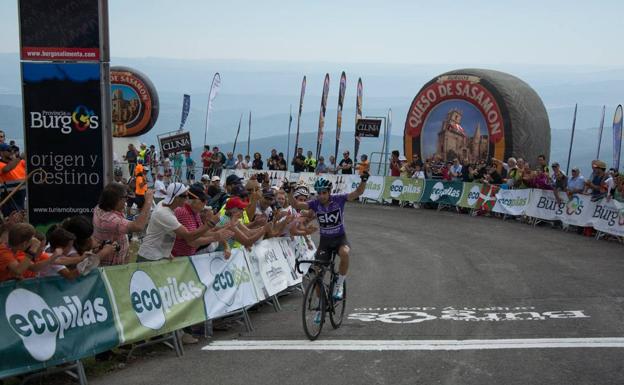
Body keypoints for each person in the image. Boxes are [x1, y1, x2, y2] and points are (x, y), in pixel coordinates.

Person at [288, 171, 369, 319]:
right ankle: (320, 306)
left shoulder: (339, 200)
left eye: (324, 192)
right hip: (325, 242)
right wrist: (289, 192)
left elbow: (358, 192)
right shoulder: (315, 203)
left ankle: (339, 284)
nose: (321, 195)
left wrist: (364, 179)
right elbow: (296, 204)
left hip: (339, 238)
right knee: (318, 275)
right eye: (319, 193)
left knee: (345, 253)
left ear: (329, 192)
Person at [137, 183, 213, 262]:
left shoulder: (166, 205)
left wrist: (167, 252)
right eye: (184, 196)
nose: (187, 198)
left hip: (157, 254)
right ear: (176, 198)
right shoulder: (165, 214)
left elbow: (164, 233)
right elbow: (189, 237)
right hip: (150, 257)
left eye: (188, 195)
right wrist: (210, 224)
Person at [93, 183, 154, 265]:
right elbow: (138, 226)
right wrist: (148, 201)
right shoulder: (110, 220)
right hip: (112, 265)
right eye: (125, 197)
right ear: (116, 199)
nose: (127, 200)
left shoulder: (99, 208)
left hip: (117, 260)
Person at [171, 185, 233, 258]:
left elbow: (202, 233)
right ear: (192, 200)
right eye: (203, 200)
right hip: (177, 257)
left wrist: (219, 234)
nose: (205, 202)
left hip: (185, 256)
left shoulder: (194, 212)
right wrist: (215, 236)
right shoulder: (183, 211)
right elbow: (191, 241)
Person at [0, 143, 27, 217]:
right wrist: (20, 157)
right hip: (9, 197)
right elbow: (6, 169)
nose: (12, 152)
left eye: (12, 150)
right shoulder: (1, 164)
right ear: (1, 153)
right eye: (8, 150)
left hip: (21, 197)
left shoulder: (20, 162)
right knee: (11, 218)